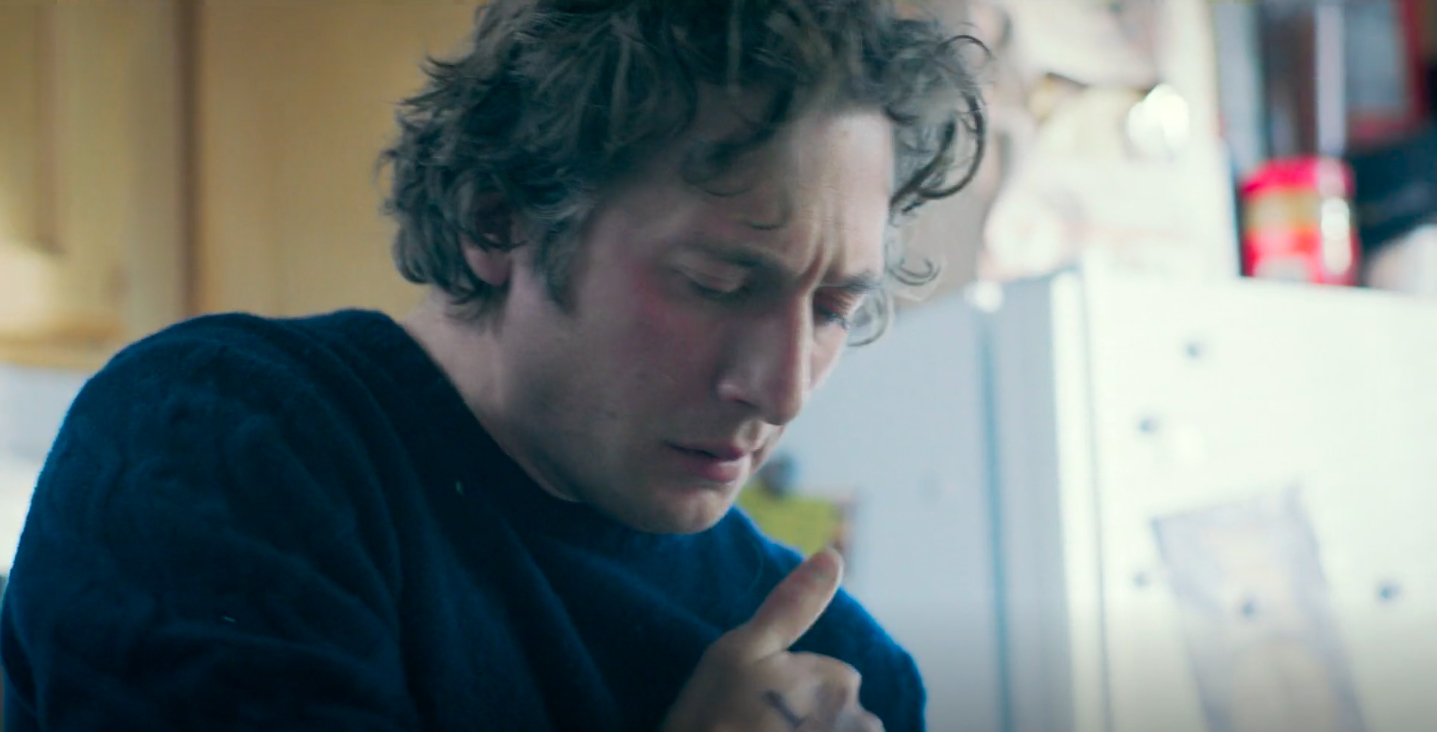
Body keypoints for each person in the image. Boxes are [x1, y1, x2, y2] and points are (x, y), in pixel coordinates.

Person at [0, 1, 984, 730]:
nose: (780, 388)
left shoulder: (834, 675)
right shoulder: (223, 440)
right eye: (716, 283)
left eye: (832, 309)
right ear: (497, 220)